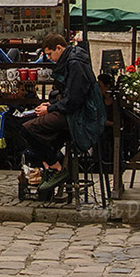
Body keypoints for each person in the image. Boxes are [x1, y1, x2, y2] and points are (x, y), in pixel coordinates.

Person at [21, 33, 105, 192]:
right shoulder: (74, 60)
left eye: (50, 54)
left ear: (59, 48)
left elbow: (73, 100)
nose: (50, 58)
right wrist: (52, 104)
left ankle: (56, 168)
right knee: (34, 128)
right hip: (75, 112)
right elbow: (71, 96)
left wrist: (51, 108)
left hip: (80, 117)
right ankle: (50, 166)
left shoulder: (74, 63)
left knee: (28, 128)